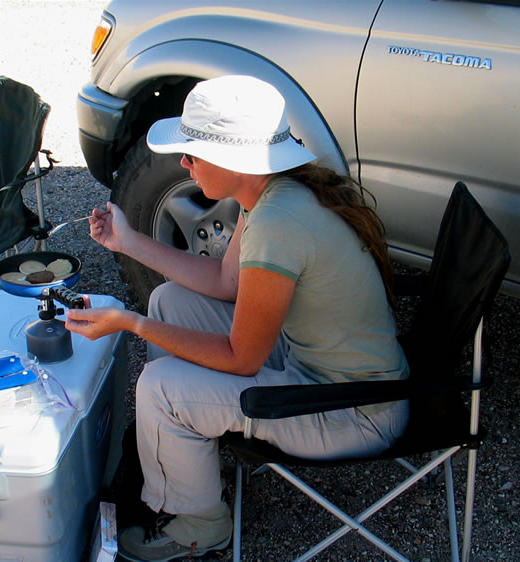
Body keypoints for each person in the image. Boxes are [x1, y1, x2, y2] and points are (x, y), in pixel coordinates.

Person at [65, 75, 409, 562]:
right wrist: (129, 243)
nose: (183, 163)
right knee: (168, 301)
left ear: (233, 160)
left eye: (191, 153)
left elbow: (243, 359)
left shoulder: (277, 224)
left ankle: (201, 527)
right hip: (320, 364)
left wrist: (127, 322)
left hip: (353, 408)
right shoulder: (272, 193)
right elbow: (227, 284)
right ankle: (191, 460)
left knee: (158, 386)